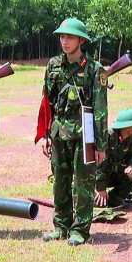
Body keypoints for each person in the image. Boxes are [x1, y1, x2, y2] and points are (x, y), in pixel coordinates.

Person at [40, 18, 108, 246]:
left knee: (83, 183)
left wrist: (100, 145)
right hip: (59, 132)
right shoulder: (53, 66)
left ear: (81, 40)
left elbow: (100, 109)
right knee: (60, 181)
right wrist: (44, 134)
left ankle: (80, 229)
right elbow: (46, 103)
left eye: (69, 37)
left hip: (84, 133)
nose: (65, 41)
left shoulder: (94, 69)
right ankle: (61, 226)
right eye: (62, 36)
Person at [95, 109, 132, 208]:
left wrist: (131, 166)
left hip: (112, 174)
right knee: (93, 205)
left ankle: (115, 200)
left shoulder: (130, 139)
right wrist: (100, 188)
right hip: (96, 178)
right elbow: (97, 164)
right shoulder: (107, 137)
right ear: (129, 128)